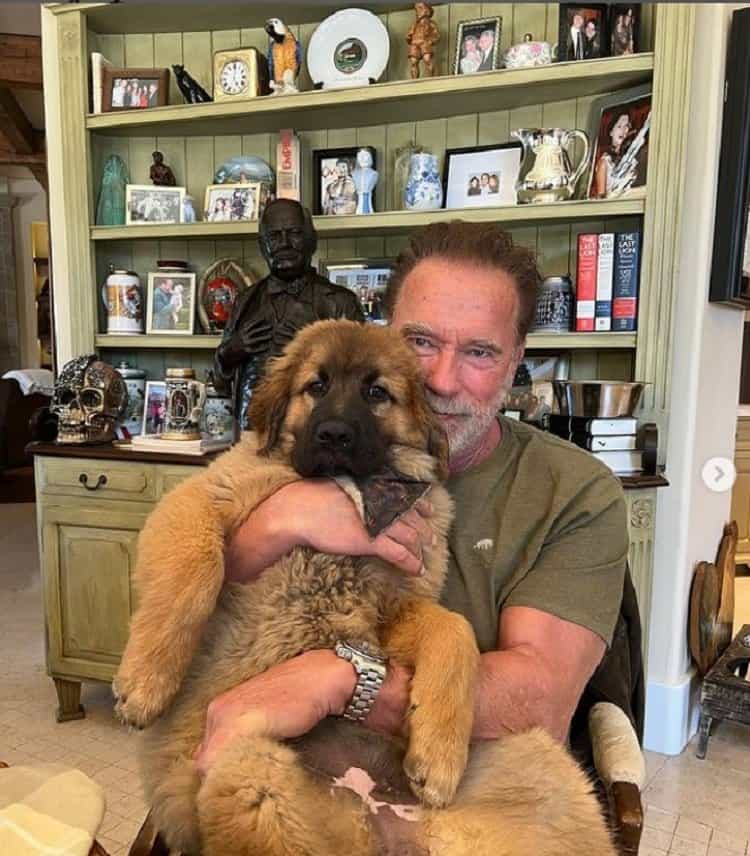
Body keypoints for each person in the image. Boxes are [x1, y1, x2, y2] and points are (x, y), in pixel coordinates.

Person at [197, 221, 629, 777]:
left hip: (463, 778)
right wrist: (275, 523)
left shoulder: (575, 491)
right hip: (278, 757)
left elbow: (540, 698)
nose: (441, 381)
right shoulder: (305, 447)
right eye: (420, 342)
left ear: (517, 356)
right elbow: (191, 612)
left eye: (479, 352)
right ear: (380, 332)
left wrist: (342, 680)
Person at [214, 199, 364, 429]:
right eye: (274, 236)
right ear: (262, 245)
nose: (284, 244)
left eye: (294, 233)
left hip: (315, 440)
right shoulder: (246, 301)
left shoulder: (340, 303)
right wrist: (230, 352)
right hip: (250, 436)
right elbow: (219, 384)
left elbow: (360, 384)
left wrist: (313, 350)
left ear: (312, 241)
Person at [591, 110, 633, 199]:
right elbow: (601, 197)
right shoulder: (605, 161)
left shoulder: (629, 158)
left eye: (627, 126)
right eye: (619, 126)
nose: (623, 130)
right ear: (611, 132)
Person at [352, 147, 378, 215]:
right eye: (360, 156)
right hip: (358, 210)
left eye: (365, 156)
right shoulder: (354, 174)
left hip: (369, 209)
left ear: (370, 157)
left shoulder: (373, 174)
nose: (363, 159)